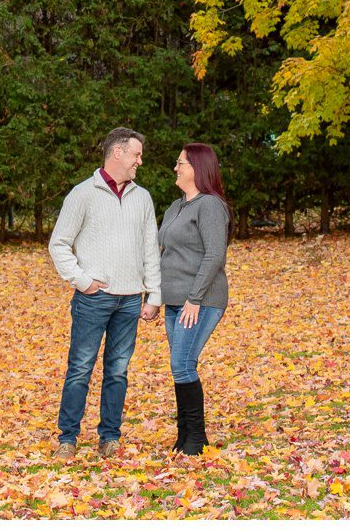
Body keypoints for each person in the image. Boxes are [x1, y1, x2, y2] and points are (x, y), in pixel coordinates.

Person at [48, 126, 162, 458]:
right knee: (81, 367)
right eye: (136, 154)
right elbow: (59, 244)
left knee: (118, 370)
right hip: (93, 300)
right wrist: (82, 281)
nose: (139, 161)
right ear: (117, 153)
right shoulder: (83, 194)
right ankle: (67, 439)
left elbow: (150, 250)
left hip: (130, 301)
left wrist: (153, 295)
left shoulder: (142, 197)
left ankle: (109, 437)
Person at [158, 142, 229, 455]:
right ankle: (184, 435)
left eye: (181, 163)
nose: (176, 168)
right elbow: (165, 253)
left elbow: (215, 255)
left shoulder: (210, 206)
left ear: (198, 169)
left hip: (200, 300)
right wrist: (154, 298)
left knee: (183, 364)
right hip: (175, 301)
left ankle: (196, 438)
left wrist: (194, 299)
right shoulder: (176, 207)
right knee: (180, 366)